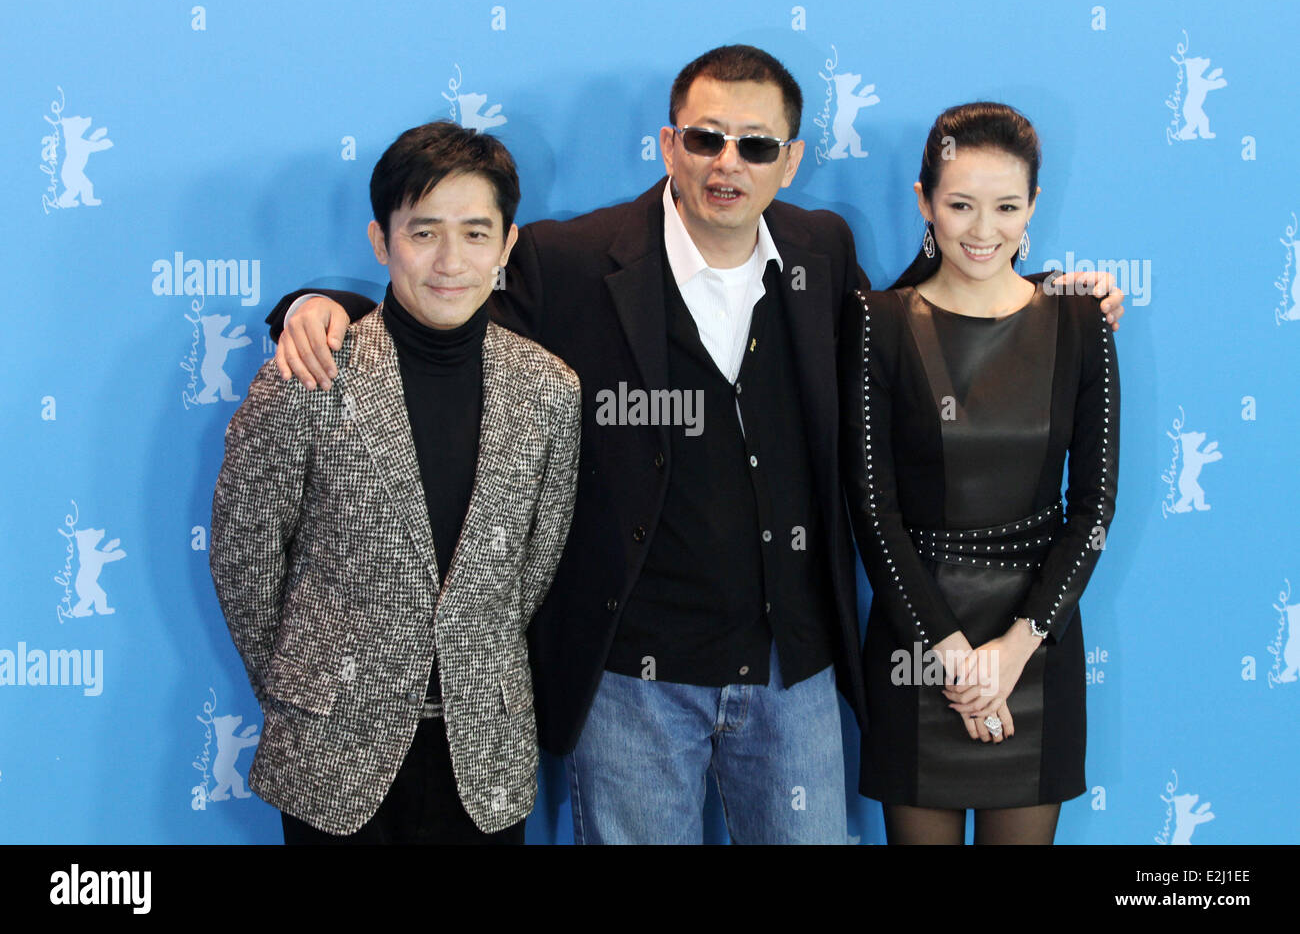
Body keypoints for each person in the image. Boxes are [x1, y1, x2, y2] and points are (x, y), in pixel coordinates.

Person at [269, 47, 1126, 844]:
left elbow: (912, 325)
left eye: (756, 145)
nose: (729, 164)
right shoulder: (575, 260)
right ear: (669, 144)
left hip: (796, 674)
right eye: (707, 138)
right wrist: (325, 307)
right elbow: (443, 311)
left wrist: (1040, 298)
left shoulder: (821, 252)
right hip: (630, 684)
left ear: (789, 162)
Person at [209, 121, 581, 844]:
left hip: (485, 752)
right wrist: (303, 683)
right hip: (332, 749)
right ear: (382, 242)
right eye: (423, 233)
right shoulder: (308, 376)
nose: (450, 260)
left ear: (507, 246)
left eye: (476, 234)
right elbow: (244, 556)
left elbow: (533, 567)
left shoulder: (549, 391)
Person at [839, 102, 1119, 844]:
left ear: (1033, 209)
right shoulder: (879, 321)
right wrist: (957, 661)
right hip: (918, 639)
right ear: (924, 202)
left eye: (1006, 206)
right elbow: (873, 509)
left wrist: (1017, 648)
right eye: (960, 204)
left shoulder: (1080, 319)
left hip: (1038, 639)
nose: (983, 229)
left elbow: (1091, 508)